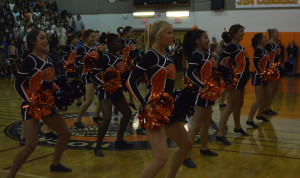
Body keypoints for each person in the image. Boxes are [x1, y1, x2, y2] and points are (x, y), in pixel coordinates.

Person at [126, 20, 192, 178]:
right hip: (154, 109)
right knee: (161, 158)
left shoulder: (166, 53)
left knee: (186, 145)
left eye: (172, 32)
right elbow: (130, 82)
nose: (172, 36)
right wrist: (145, 105)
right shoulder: (151, 55)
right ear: (158, 35)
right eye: (169, 33)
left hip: (168, 107)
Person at [7, 29, 71, 178]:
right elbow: (19, 85)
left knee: (65, 134)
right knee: (31, 145)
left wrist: (60, 91)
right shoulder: (30, 60)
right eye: (41, 38)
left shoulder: (47, 59)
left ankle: (55, 164)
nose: (45, 40)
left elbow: (48, 83)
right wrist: (31, 101)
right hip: (30, 106)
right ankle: (10, 176)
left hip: (46, 105)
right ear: (32, 42)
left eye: (46, 38)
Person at [91, 33, 134, 157]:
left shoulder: (119, 57)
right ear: (109, 44)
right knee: (107, 118)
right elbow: (93, 75)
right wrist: (104, 83)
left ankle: (119, 140)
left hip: (117, 91)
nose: (120, 44)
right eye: (117, 42)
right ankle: (98, 146)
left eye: (120, 42)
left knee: (127, 113)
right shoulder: (105, 58)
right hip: (105, 91)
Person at [183, 27, 219, 168]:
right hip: (199, 92)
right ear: (198, 41)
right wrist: (202, 85)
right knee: (196, 124)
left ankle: (204, 148)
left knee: (206, 122)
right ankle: (185, 155)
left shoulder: (206, 54)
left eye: (207, 37)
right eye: (205, 37)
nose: (208, 40)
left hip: (208, 92)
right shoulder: (196, 55)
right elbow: (189, 74)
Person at [216, 24, 250, 145]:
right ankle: (220, 133)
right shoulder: (231, 46)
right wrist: (229, 77)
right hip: (236, 79)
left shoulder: (238, 46)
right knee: (230, 105)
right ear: (234, 33)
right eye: (241, 31)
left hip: (242, 80)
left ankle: (237, 127)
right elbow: (221, 62)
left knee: (239, 104)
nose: (243, 33)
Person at [74, 29, 101, 128]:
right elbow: (76, 63)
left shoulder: (96, 48)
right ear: (86, 37)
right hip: (87, 74)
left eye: (95, 37)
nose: (94, 39)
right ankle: (77, 120)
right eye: (92, 37)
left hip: (96, 74)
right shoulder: (82, 49)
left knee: (103, 95)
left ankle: (96, 115)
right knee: (89, 99)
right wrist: (87, 64)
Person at [247, 33, 270, 128]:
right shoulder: (258, 50)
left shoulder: (264, 49)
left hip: (264, 76)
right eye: (264, 37)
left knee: (265, 97)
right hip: (258, 76)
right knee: (259, 99)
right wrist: (262, 74)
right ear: (259, 40)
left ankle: (259, 115)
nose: (266, 38)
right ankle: (249, 119)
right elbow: (255, 64)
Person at [263, 29, 281, 116]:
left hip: (276, 68)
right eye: (276, 33)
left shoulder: (276, 44)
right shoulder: (269, 44)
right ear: (272, 34)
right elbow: (265, 57)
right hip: (270, 68)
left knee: (276, 89)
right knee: (271, 89)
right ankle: (266, 108)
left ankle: (268, 107)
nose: (278, 34)